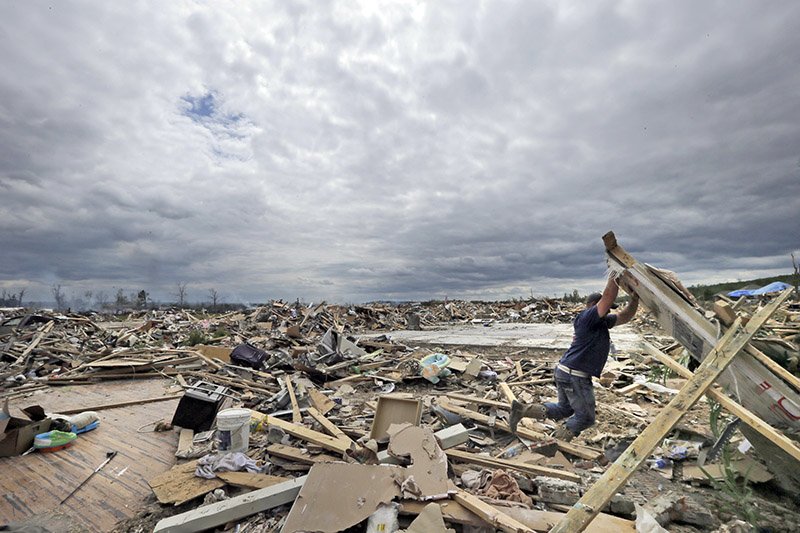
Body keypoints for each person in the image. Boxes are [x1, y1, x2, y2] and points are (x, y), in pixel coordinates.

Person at [509, 274, 639, 441]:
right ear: (593, 305)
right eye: (606, 308)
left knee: (565, 409)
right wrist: (614, 274)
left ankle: (522, 410)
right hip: (575, 375)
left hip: (565, 371)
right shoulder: (587, 317)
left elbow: (624, 317)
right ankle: (556, 443)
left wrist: (634, 300)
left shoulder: (600, 322)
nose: (608, 311)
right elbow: (608, 297)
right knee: (586, 418)